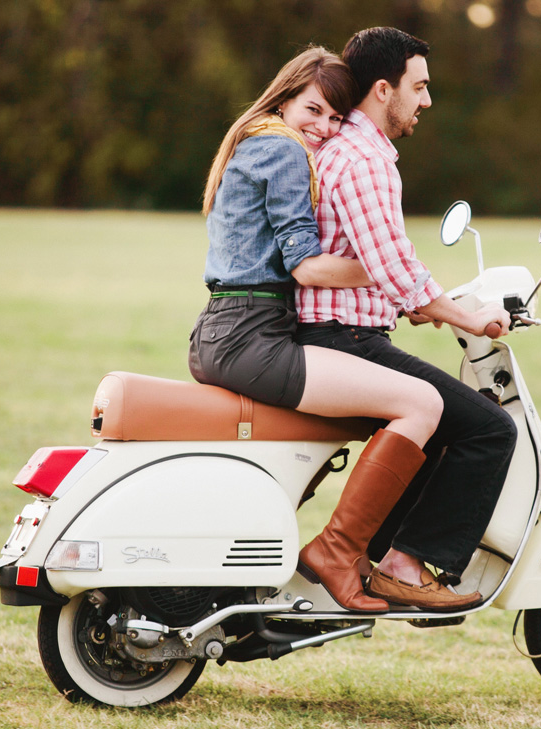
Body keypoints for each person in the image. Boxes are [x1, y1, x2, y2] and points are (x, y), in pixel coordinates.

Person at [188, 46, 473, 614]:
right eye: (313, 110)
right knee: (420, 404)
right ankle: (340, 552)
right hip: (251, 337)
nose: (322, 128)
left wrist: (395, 282)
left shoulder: (258, 141)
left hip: (233, 330)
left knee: (409, 407)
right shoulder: (284, 150)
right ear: (285, 97)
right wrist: (388, 268)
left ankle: (355, 551)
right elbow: (307, 267)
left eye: (335, 118)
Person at [295, 27, 518, 609]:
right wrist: (470, 318)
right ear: (382, 89)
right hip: (343, 341)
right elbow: (394, 268)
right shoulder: (365, 159)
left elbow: (380, 265)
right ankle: (401, 563)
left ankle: (378, 553)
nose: (426, 101)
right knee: (490, 429)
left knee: (447, 426)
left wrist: (421, 303)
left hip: (346, 332)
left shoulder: (345, 150)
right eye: (419, 88)